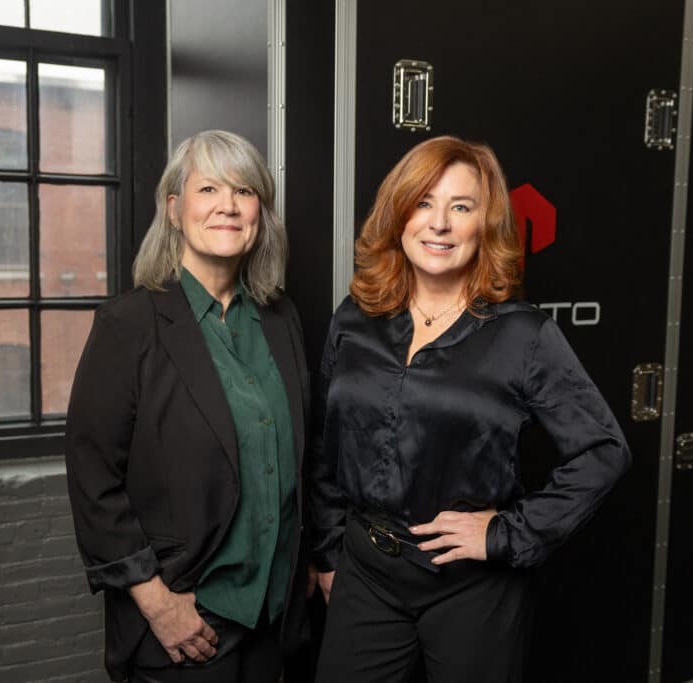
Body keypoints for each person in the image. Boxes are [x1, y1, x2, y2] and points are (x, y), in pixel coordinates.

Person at [309, 136, 632, 683]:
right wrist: (329, 553)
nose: (439, 223)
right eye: (423, 203)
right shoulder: (355, 317)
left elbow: (604, 451)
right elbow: (326, 443)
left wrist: (507, 533)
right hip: (365, 572)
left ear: (485, 225)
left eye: (460, 207)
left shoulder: (524, 335)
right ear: (398, 214)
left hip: (470, 586)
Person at [65, 130, 311, 683]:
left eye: (244, 191)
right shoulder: (128, 326)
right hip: (188, 620)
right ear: (175, 209)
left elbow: (304, 455)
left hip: (275, 616)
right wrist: (157, 603)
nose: (228, 205)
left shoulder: (280, 319)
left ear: (260, 213)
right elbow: (93, 479)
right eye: (209, 189)